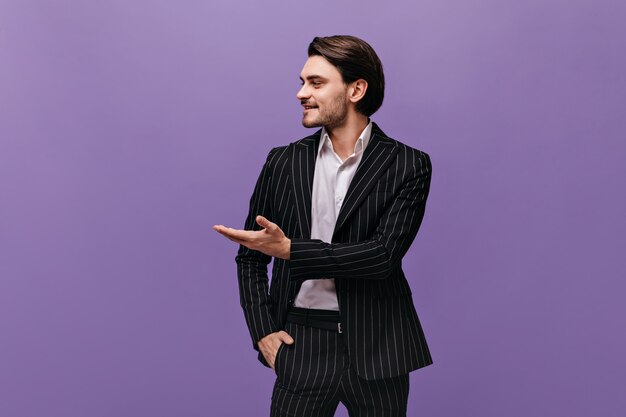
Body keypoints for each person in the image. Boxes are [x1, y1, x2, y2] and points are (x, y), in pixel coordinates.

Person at [213, 35, 433, 417]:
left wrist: (291, 250)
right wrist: (263, 333)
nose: (301, 93)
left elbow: (381, 256)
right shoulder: (282, 162)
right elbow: (249, 259)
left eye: (316, 83)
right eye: (302, 82)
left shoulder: (408, 165)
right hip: (302, 343)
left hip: (380, 344)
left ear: (356, 89)